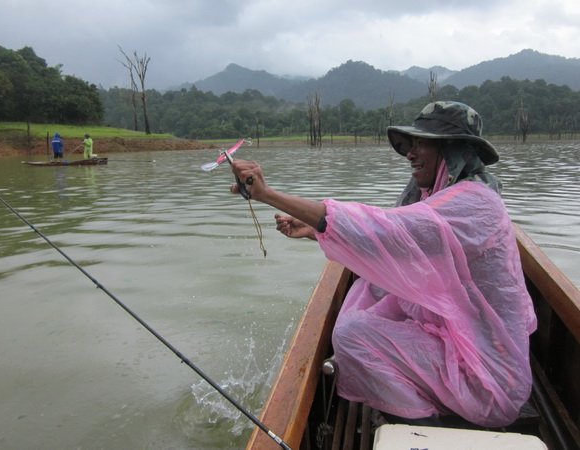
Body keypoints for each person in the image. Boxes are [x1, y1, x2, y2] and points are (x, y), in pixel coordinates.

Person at [228, 101, 536, 428]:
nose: (410, 154)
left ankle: (424, 428)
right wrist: (314, 232)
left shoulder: (474, 202)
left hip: (488, 376)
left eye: (422, 144)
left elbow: (385, 232)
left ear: (452, 150)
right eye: (410, 145)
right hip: (466, 341)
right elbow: (395, 243)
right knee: (368, 288)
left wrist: (268, 194)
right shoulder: (450, 196)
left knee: (352, 335)